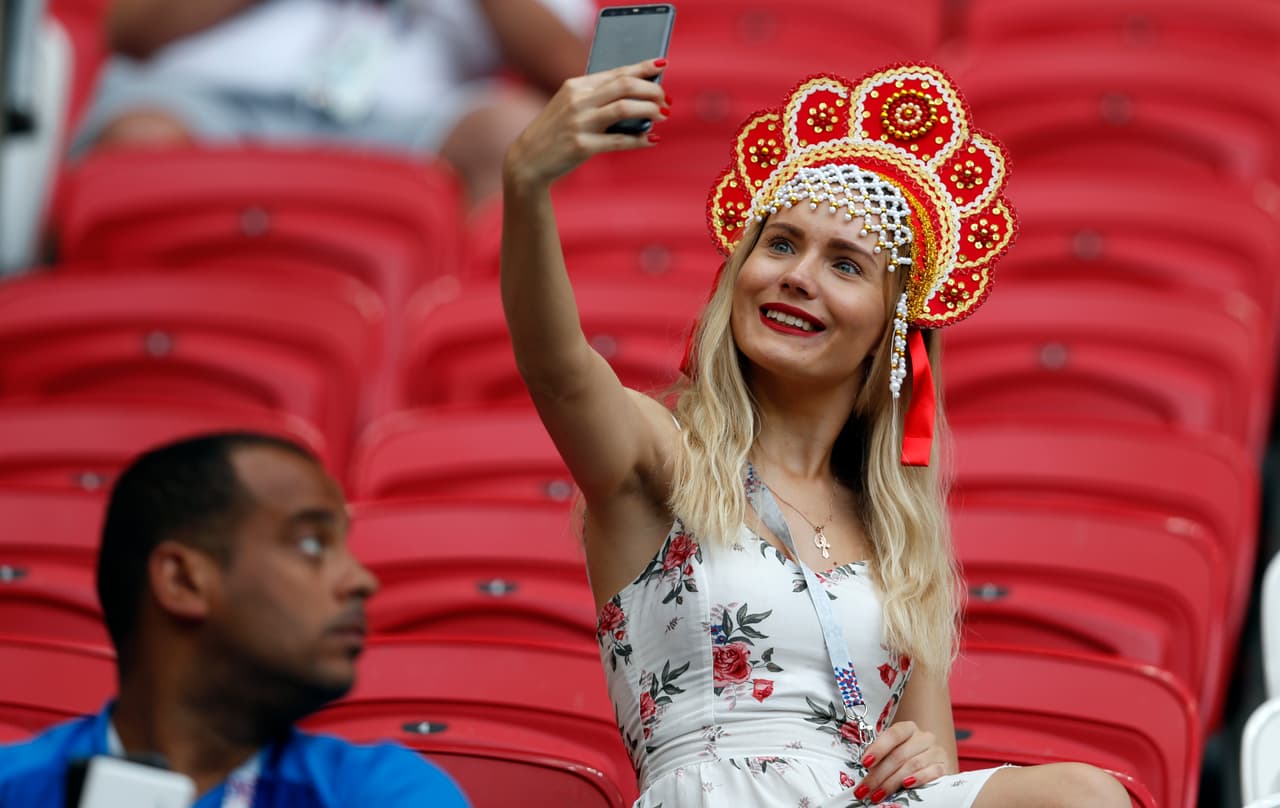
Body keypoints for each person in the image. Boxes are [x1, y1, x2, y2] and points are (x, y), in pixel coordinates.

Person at [499, 59, 1132, 807]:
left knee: (1085, 797)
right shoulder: (664, 456)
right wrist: (526, 185)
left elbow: (935, 774)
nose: (799, 276)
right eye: (780, 245)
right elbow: (560, 370)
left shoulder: (903, 542)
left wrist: (921, 754)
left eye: (846, 265)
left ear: (890, 335)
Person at [0, 432, 469, 807]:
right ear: (183, 581)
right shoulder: (14, 789)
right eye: (311, 545)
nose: (362, 579)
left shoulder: (386, 794)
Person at [70, 0, 592, 206]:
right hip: (214, 99)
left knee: (515, 139)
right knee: (140, 142)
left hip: (406, 125)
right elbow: (128, 30)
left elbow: (573, 75)